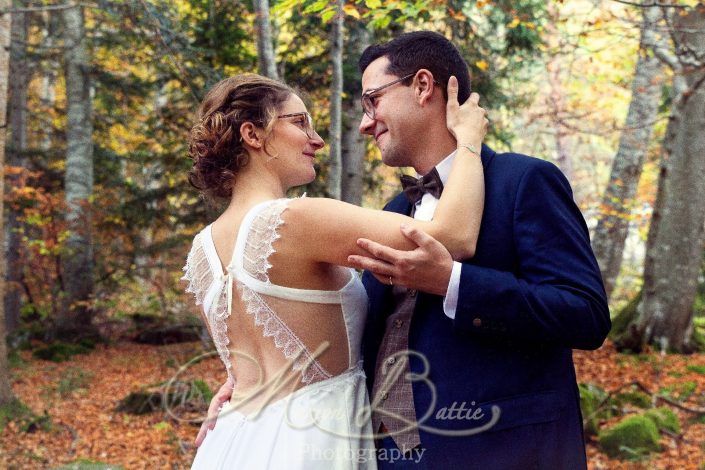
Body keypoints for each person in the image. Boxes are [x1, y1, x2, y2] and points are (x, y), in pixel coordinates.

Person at [203, 31, 611, 469]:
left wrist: (454, 283)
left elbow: (585, 314)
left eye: (372, 101)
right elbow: (351, 339)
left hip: (504, 452)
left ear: (422, 86)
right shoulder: (393, 211)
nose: (364, 122)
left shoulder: (524, 181)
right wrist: (256, 384)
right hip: (384, 457)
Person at [182, 71, 487, 470]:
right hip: (309, 443)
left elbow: (253, 362)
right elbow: (454, 237)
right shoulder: (298, 218)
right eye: (299, 122)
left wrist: (234, 383)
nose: (317, 139)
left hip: (231, 444)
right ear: (253, 135)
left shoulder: (201, 249)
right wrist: (468, 140)